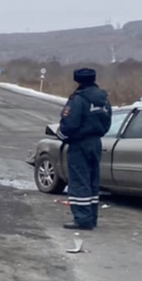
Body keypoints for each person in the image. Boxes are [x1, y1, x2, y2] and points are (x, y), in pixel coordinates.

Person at [58, 68, 113, 231]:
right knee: (92, 180)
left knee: (79, 180)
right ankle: (91, 217)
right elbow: (107, 122)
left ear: (78, 81)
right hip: (96, 142)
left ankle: (82, 219)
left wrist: (61, 136)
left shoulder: (78, 99)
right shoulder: (103, 99)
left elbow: (70, 124)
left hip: (79, 143)